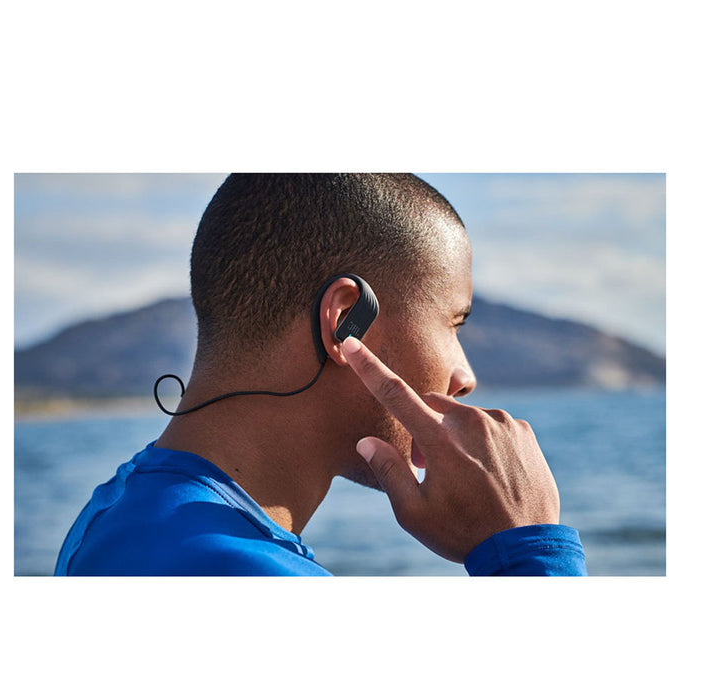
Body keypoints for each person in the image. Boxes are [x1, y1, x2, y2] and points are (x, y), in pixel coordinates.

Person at [55, 174, 587, 576]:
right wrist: (526, 550)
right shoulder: (239, 569)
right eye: (453, 323)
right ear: (346, 322)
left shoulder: (118, 509)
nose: (465, 376)